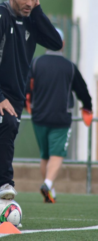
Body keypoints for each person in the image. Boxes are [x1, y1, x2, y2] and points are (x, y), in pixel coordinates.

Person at [0, 0, 63, 219]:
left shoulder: (31, 18)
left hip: (15, 97)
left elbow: (56, 42)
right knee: (5, 126)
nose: (28, 2)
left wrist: (37, 12)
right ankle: (7, 182)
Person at [27, 28, 93, 203]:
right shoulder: (69, 67)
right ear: (63, 44)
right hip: (61, 118)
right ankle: (48, 184)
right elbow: (83, 90)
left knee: (45, 155)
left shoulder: (35, 63)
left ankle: (51, 191)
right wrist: (87, 107)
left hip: (38, 117)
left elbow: (26, 88)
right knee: (57, 153)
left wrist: (26, 105)